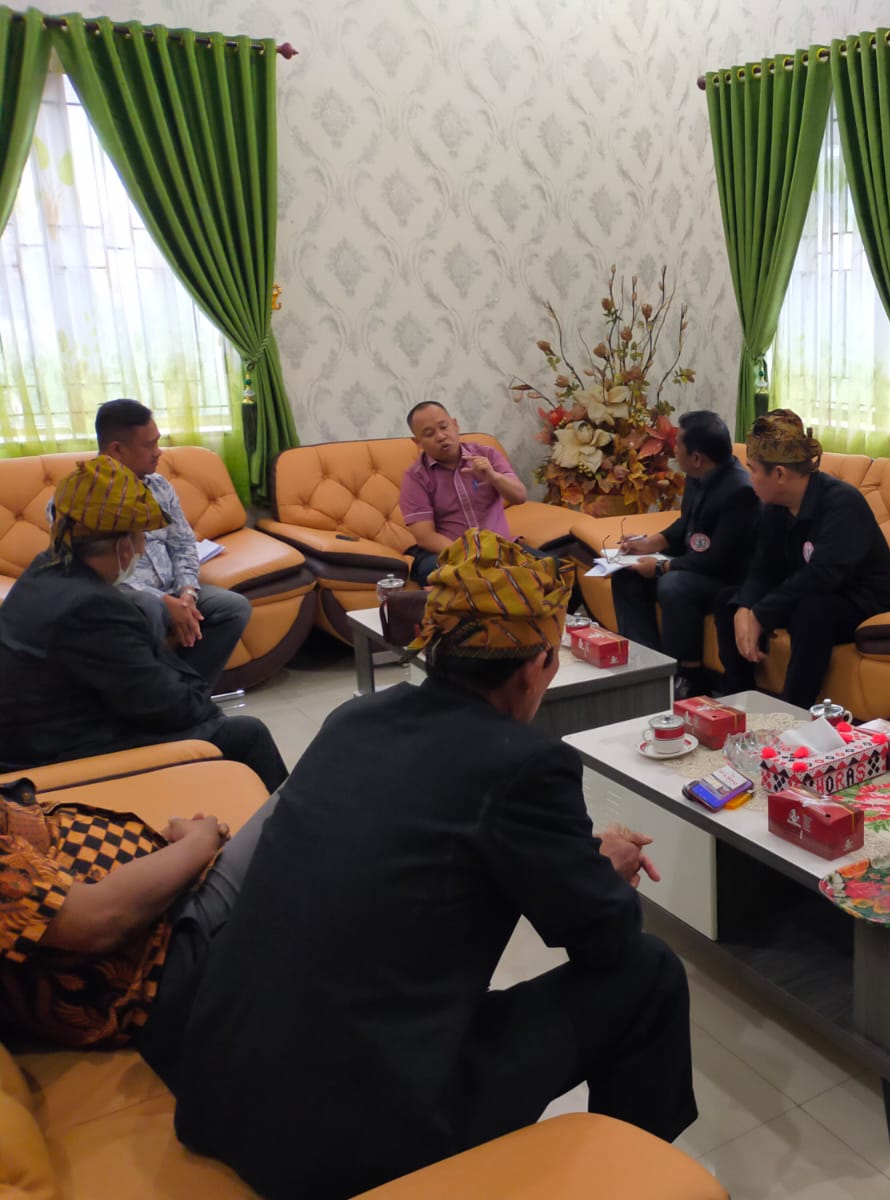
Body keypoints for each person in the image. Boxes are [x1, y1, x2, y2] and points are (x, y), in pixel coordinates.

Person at [164, 531, 697, 1199]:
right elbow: (604, 940)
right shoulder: (526, 764)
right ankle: (639, 1179)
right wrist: (599, 874)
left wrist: (569, 863)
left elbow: (431, 843)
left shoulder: (352, 719)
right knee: (649, 972)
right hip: (347, 1138)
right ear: (538, 666)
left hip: (220, 1088)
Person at [0, 456, 287, 791]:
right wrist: (201, 707)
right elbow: (166, 708)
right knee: (246, 734)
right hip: (58, 754)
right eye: (142, 538)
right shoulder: (94, 606)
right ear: (125, 546)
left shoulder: (46, 567)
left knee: (204, 713)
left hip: (37, 733)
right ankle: (288, 825)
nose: (141, 548)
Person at [0, 774, 267, 1054]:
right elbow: (101, 920)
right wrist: (199, 843)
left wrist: (165, 862)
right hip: (160, 958)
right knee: (297, 799)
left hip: (163, 908)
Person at [58, 399, 253, 692]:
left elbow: (183, 543)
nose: (158, 452)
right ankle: (152, 699)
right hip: (123, 596)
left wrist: (187, 592)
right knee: (150, 608)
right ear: (117, 450)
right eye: (149, 445)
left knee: (233, 607)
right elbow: (90, 571)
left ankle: (189, 697)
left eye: (158, 442)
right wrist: (164, 602)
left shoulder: (159, 486)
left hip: (173, 589)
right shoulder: (81, 497)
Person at [713, 409, 890, 707]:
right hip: (811, 593)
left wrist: (762, 613)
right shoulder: (775, 506)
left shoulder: (842, 503)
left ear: (779, 474)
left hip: (865, 604)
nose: (750, 479)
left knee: (812, 611)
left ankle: (793, 712)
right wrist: (745, 607)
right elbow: (763, 568)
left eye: (754, 470)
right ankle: (739, 702)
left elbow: (824, 574)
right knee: (729, 600)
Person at [611, 410, 758, 698]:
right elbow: (686, 524)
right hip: (697, 565)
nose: (672, 449)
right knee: (626, 575)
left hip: (726, 579)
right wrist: (650, 543)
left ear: (697, 457)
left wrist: (660, 567)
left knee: (674, 585)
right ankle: (647, 666)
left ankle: (689, 676)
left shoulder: (741, 492)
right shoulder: (696, 475)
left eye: (678, 444)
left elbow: (718, 561)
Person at [398, 401, 528, 583]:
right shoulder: (415, 478)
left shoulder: (486, 455)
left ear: (455, 425)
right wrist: (471, 556)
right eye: (429, 434)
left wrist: (493, 476)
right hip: (451, 554)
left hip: (500, 548)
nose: (441, 436)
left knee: (553, 568)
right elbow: (425, 537)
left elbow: (520, 496)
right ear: (418, 442)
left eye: (444, 427)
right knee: (441, 573)